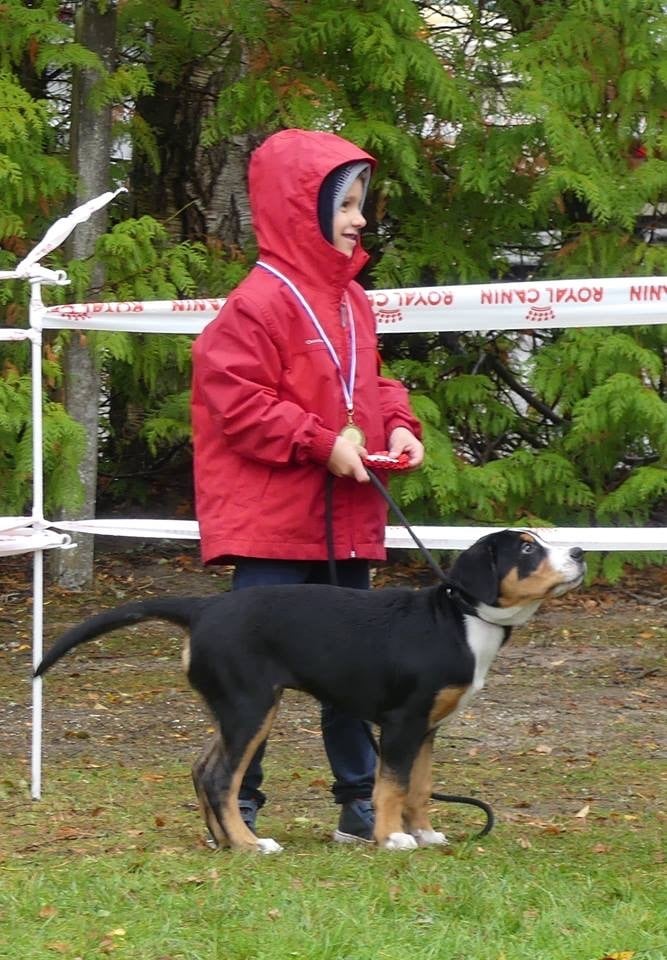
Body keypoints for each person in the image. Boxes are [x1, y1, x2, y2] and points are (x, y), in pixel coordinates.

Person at [191, 128, 424, 845]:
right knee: (253, 675)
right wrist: (319, 443)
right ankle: (236, 804)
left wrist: (398, 424)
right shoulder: (257, 301)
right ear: (301, 207)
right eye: (346, 203)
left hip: (343, 516)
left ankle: (360, 804)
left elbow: (369, 382)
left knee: (357, 667)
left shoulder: (352, 298)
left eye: (361, 203)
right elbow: (233, 395)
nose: (360, 218)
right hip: (274, 524)